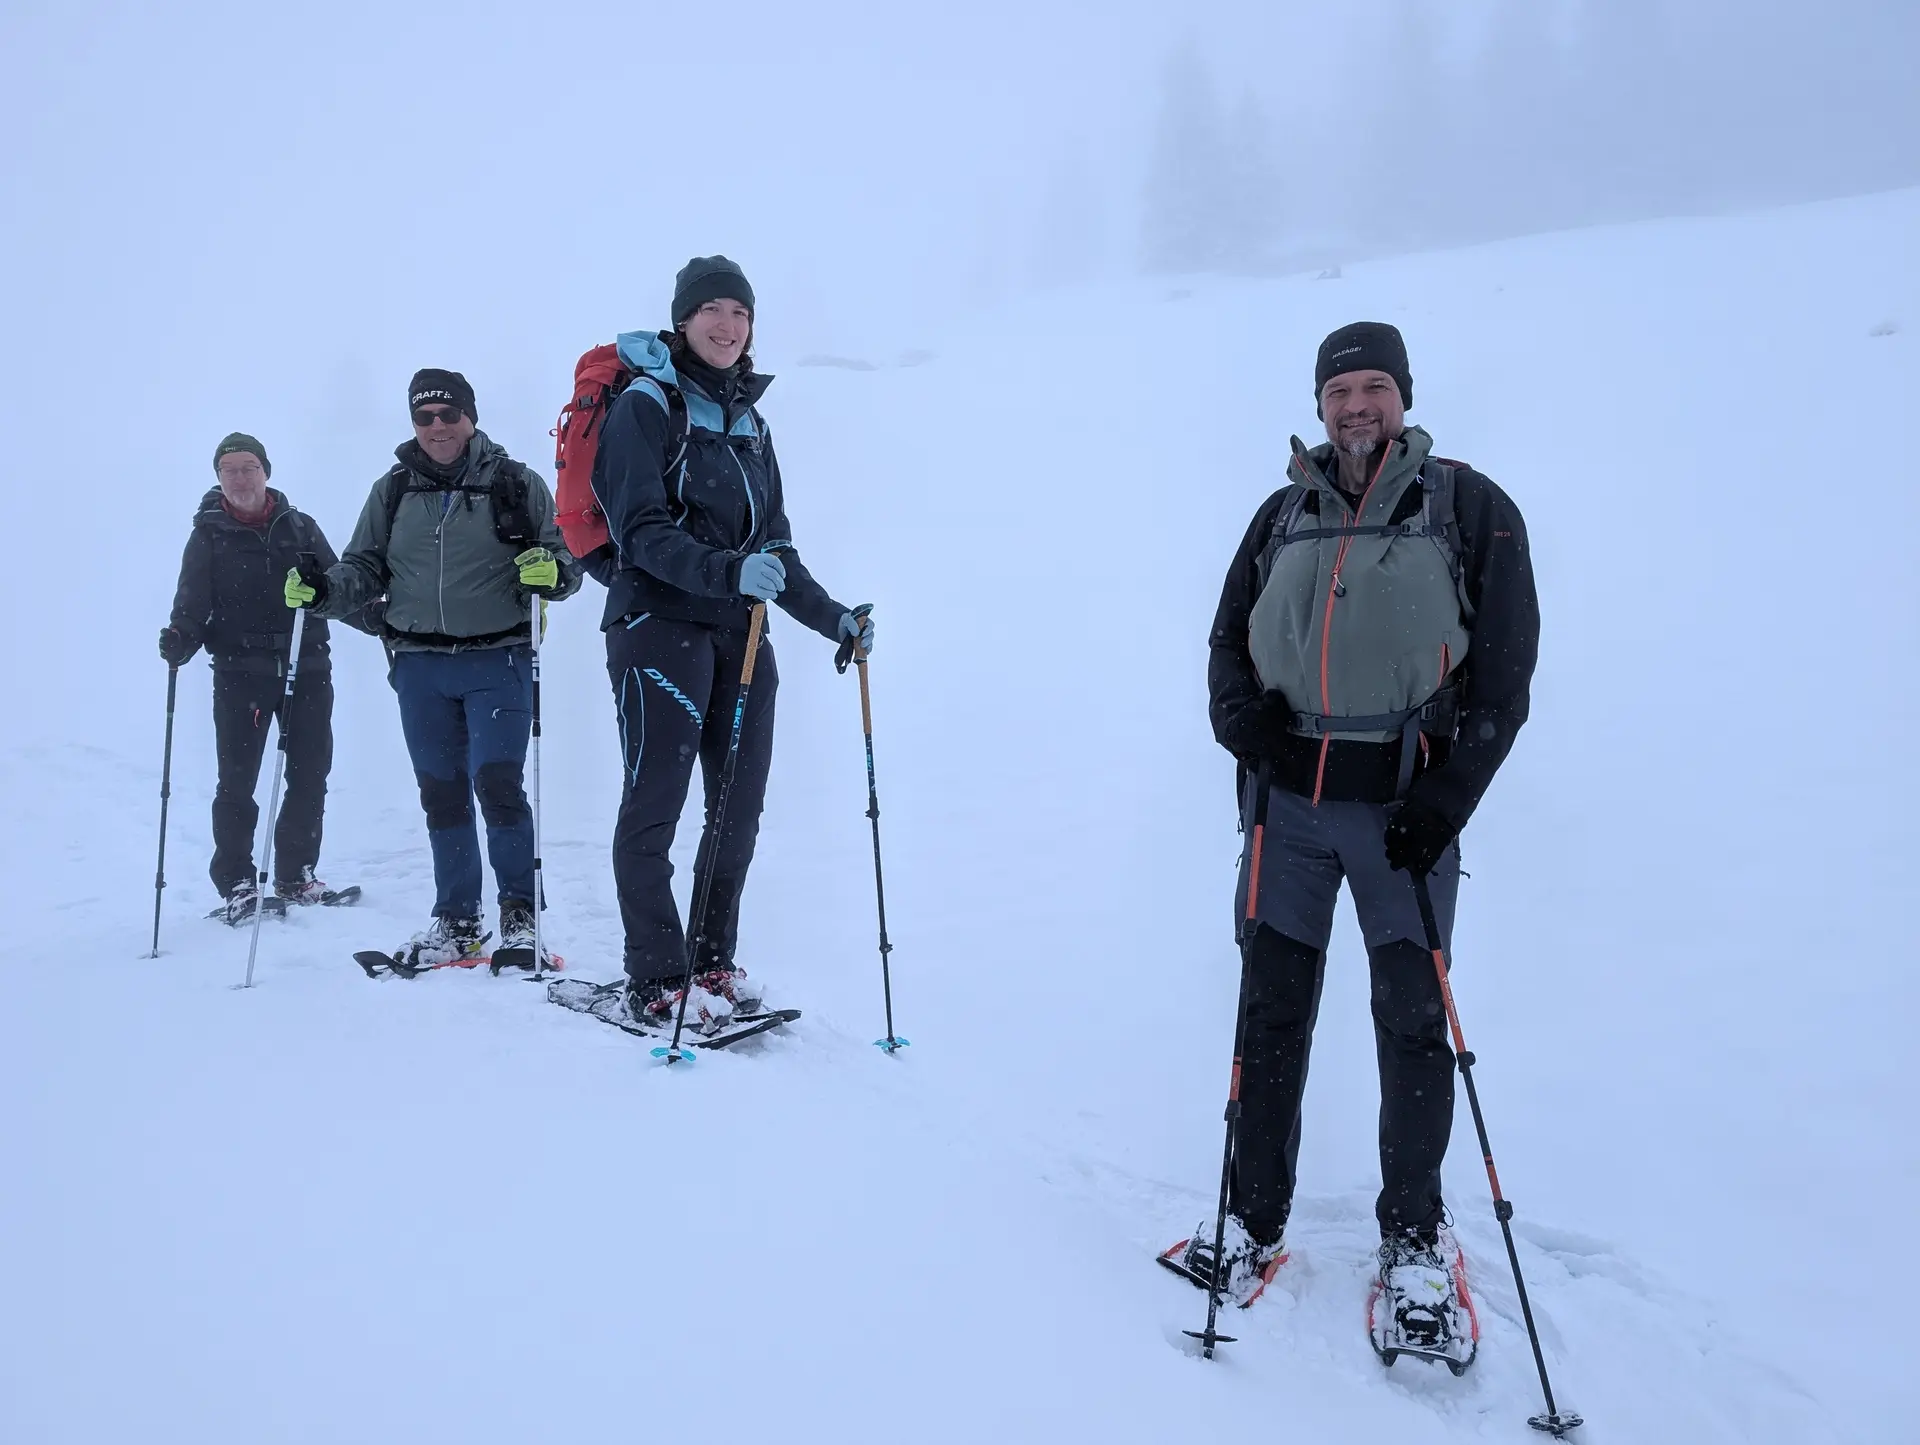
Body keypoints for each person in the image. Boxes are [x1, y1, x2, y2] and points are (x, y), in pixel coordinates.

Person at [1171, 323, 1540, 1356]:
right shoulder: (1281, 511)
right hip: (1287, 806)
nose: (1357, 404)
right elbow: (1225, 639)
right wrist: (1237, 716)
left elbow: (1505, 674)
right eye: (1341, 389)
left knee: (1413, 1016)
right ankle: (1252, 1215)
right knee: (1272, 1006)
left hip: (1403, 815)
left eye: (1375, 386)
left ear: (1405, 396)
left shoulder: (1468, 506)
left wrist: (1451, 794)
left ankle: (1416, 1233)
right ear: (1321, 402)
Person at [587, 255, 873, 1029]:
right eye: (711, 309)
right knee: (656, 807)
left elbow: (774, 548)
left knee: (736, 810)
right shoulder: (646, 405)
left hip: (741, 635)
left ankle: (711, 959)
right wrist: (727, 570)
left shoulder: (751, 421)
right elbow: (637, 530)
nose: (726, 323)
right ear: (682, 320)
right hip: (657, 626)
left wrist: (835, 617)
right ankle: (656, 976)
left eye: (739, 312)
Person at [286, 370, 582, 970]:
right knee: (441, 794)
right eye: (424, 418)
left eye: (448, 414)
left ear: (470, 417)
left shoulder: (514, 482)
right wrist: (322, 592)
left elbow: (563, 557)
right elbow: (362, 569)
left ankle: (522, 916)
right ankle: (458, 921)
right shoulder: (393, 490)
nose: (437, 427)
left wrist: (555, 575)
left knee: (499, 788)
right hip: (418, 664)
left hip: (497, 658)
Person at [161, 433, 376, 923]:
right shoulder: (208, 535)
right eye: (229, 468)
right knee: (238, 781)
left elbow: (338, 587)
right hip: (241, 672)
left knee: (309, 772)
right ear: (218, 477)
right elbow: (192, 604)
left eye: (249, 466)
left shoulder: (299, 527)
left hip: (308, 666)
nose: (240, 476)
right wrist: (180, 638)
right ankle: (238, 883)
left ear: (266, 472)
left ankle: (295, 874)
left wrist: (382, 620)